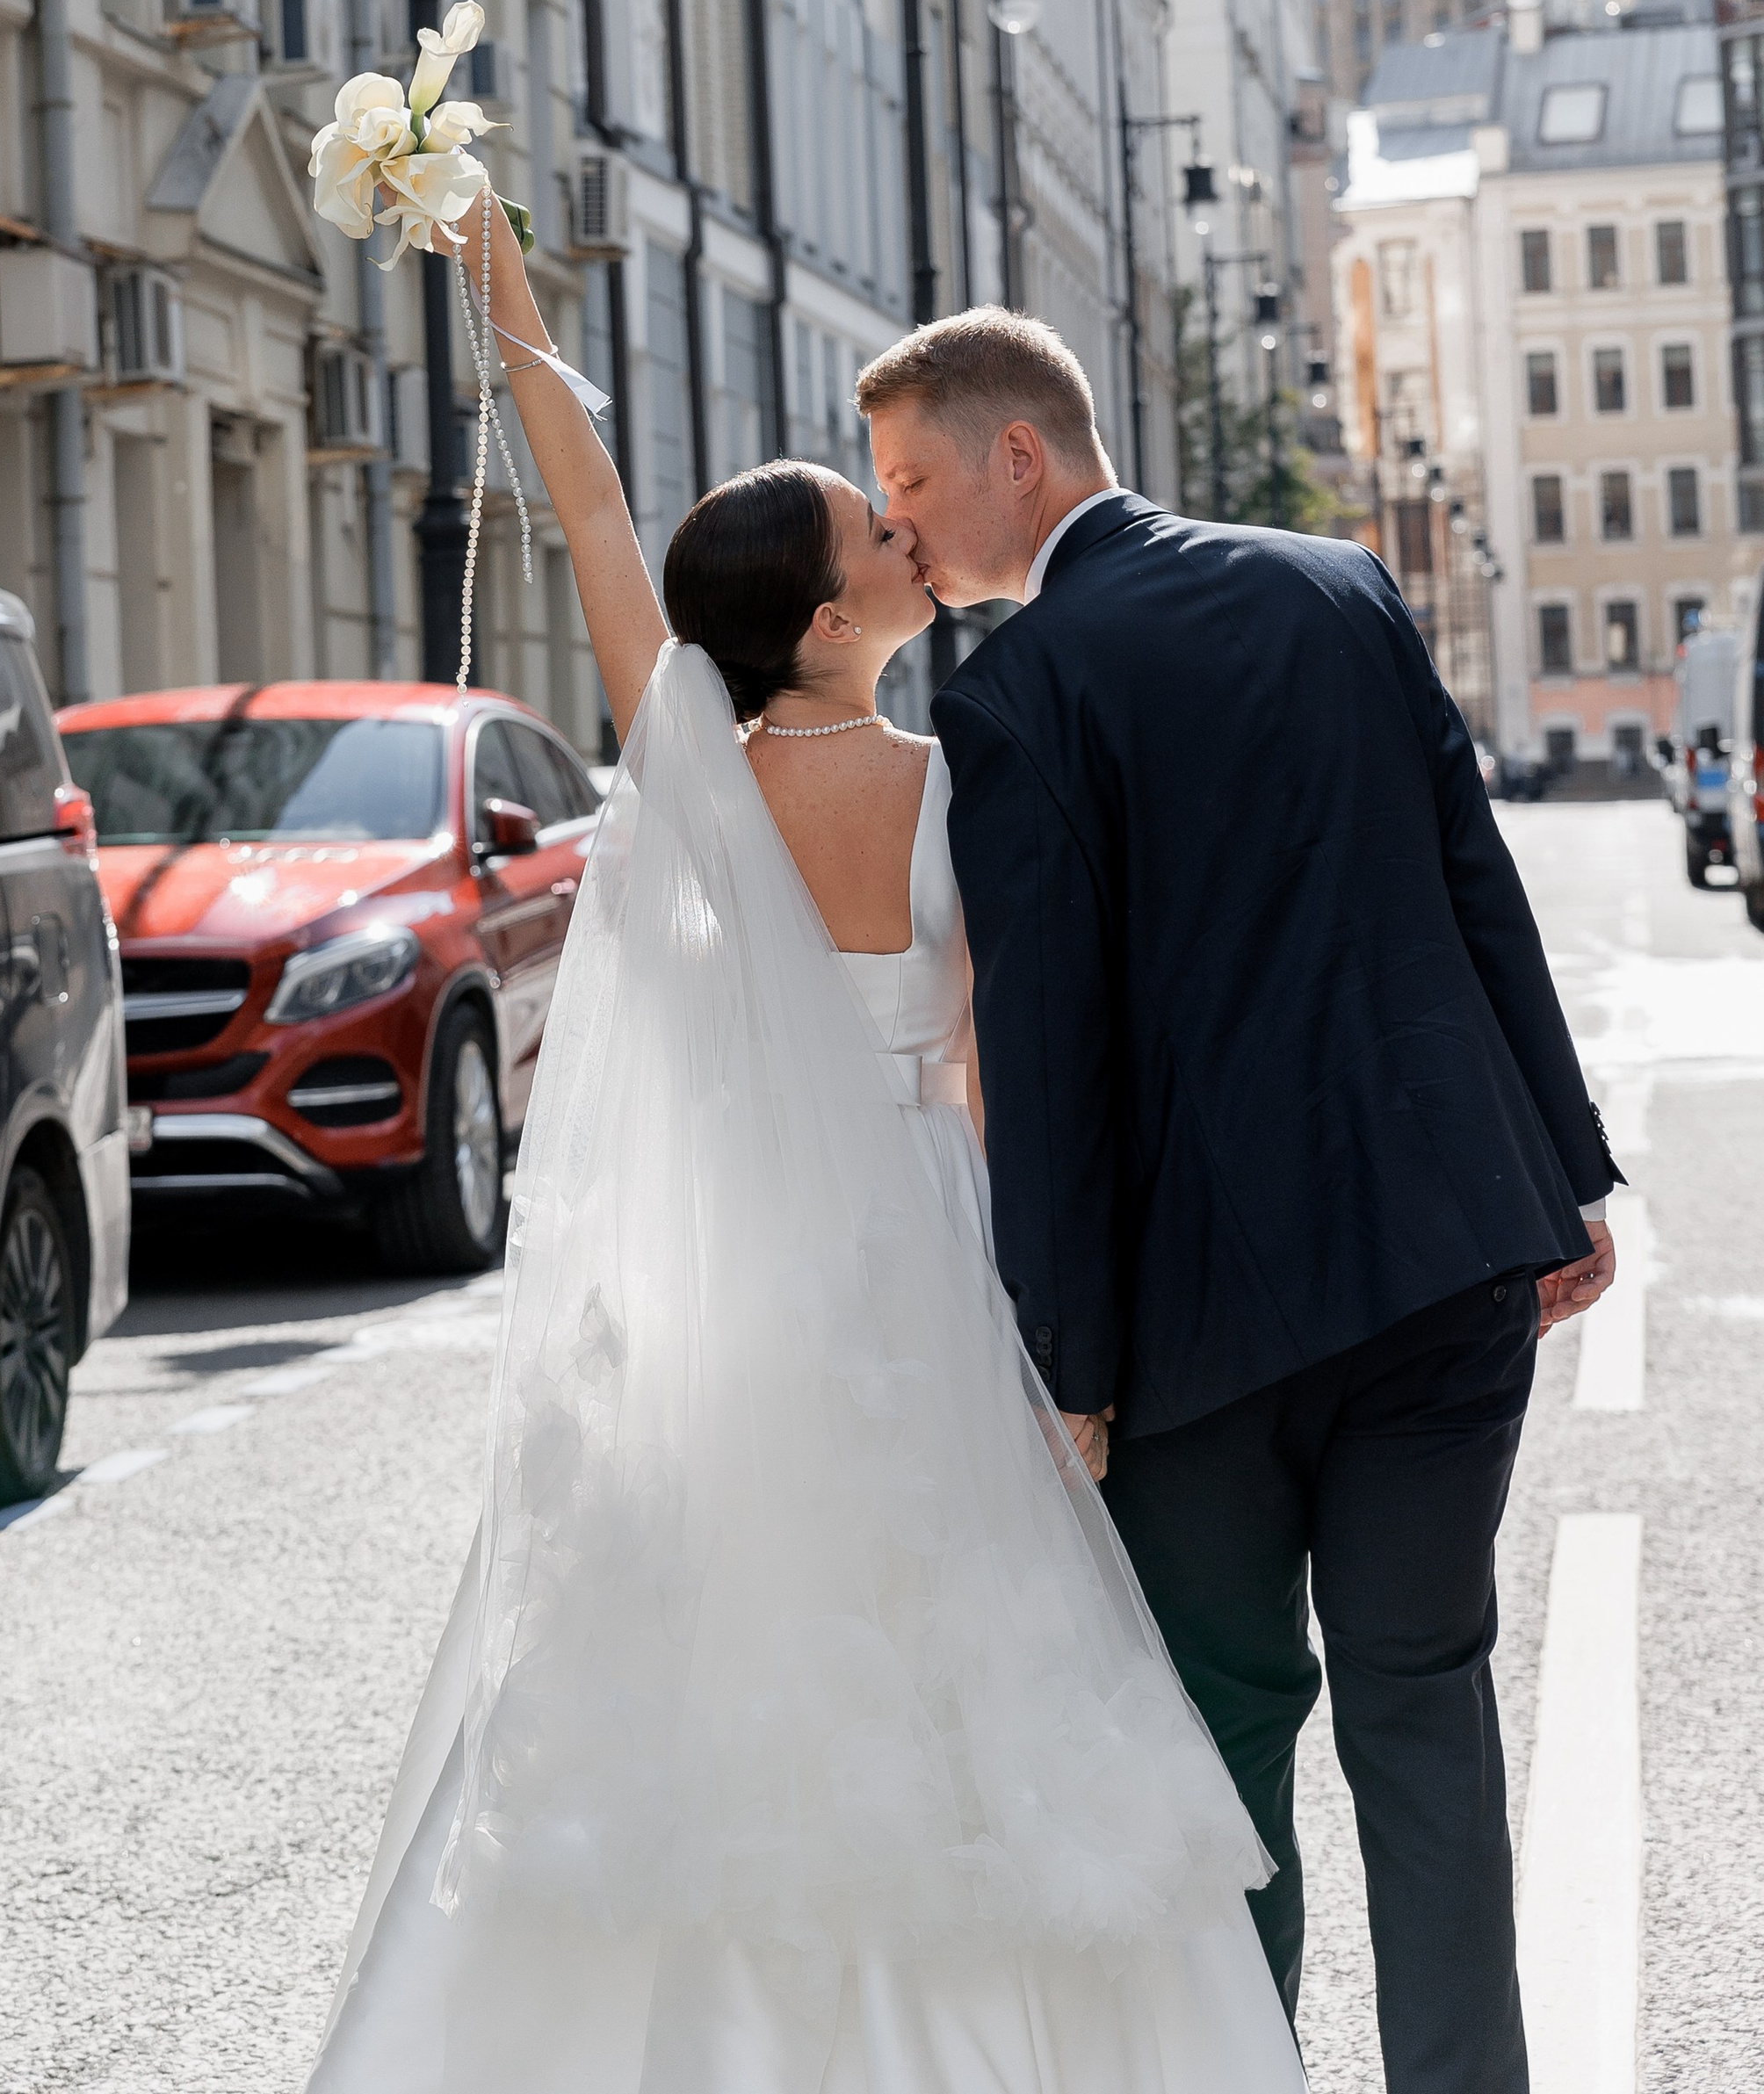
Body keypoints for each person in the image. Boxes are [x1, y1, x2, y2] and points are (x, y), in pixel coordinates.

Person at [306, 195, 1306, 2090]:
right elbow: (1007, 1081)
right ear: (832, 618)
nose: (904, 531)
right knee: (970, 1659)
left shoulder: (687, 771)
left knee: (728, 1646)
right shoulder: (957, 773)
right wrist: (1068, 1350)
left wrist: (499, 286)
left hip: (746, 1278)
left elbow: (598, 523)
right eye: (874, 534)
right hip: (927, 1248)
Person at [859, 305, 1621, 2094]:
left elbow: (1048, 1056)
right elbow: (1467, 879)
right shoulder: (1335, 585)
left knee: (1225, 1737)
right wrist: (1560, 1171)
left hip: (1195, 1322)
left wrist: (1065, 1357)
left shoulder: (1016, 692)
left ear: (1016, 457)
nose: (896, 524)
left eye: (908, 479)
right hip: (1440, 1257)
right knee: (1421, 1703)